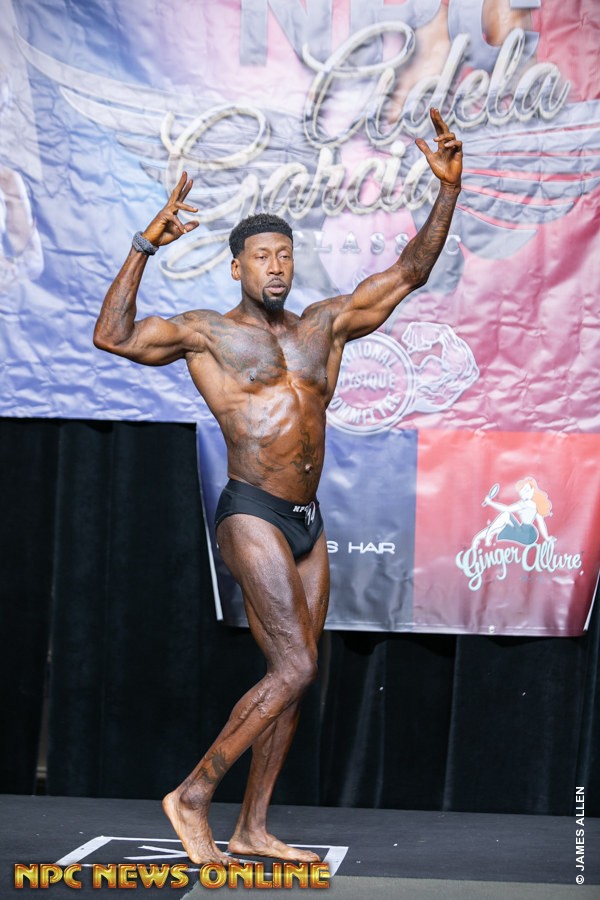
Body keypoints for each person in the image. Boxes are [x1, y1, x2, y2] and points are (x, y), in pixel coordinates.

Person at [93, 107, 462, 866]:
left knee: (293, 678)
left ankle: (253, 827)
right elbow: (114, 336)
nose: (276, 267)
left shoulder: (324, 326)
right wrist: (143, 246)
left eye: (284, 255)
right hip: (252, 512)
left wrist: (448, 191)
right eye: (261, 256)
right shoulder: (207, 333)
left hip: (307, 520)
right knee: (296, 666)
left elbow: (410, 272)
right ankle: (193, 793)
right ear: (238, 267)